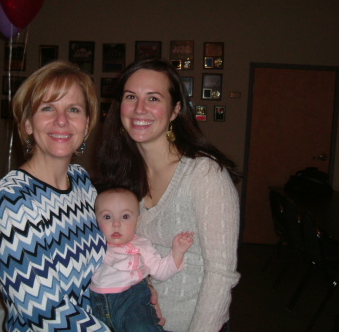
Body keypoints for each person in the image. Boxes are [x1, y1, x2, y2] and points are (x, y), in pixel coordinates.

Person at [96, 59, 241, 332]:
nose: (140, 109)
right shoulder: (123, 176)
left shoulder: (204, 174)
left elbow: (221, 274)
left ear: (175, 110)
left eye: (153, 98)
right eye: (131, 97)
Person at [0, 60, 111, 332]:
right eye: (47, 108)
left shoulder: (81, 182)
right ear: (28, 123)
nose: (62, 120)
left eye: (74, 109)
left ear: (87, 124)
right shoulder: (11, 198)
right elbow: (42, 310)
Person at [90, 186, 194, 332]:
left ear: (137, 221)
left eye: (125, 216)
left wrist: (177, 253)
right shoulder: (93, 243)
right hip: (96, 304)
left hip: (133, 303)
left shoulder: (141, 244)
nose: (116, 223)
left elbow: (160, 271)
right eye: (107, 217)